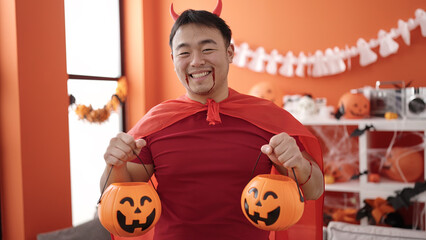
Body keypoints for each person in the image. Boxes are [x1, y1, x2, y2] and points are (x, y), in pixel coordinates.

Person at [100, 4, 324, 240]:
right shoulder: (156, 122)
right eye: (184, 53)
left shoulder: (267, 118)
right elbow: (116, 195)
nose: (196, 61)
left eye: (207, 49)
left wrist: (297, 162)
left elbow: (314, 190)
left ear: (229, 53)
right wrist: (115, 164)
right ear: (173, 58)